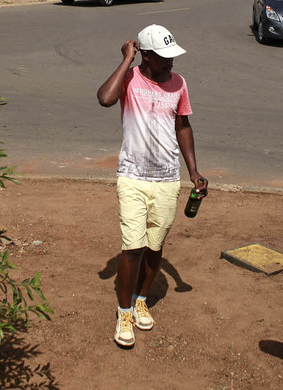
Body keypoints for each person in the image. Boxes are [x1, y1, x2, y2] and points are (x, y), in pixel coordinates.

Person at [96, 24, 207, 348]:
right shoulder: (129, 79)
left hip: (167, 179)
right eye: (164, 57)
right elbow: (104, 98)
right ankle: (125, 311)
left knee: (154, 246)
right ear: (145, 55)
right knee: (132, 246)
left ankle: (142, 297)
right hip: (132, 176)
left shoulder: (179, 83)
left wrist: (194, 172)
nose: (172, 62)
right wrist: (126, 61)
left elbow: (183, 125)